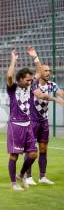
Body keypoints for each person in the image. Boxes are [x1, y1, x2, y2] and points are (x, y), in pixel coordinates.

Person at [6, 49, 63, 190]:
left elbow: (40, 73)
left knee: (33, 154)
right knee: (14, 156)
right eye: (28, 79)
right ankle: (14, 183)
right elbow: (9, 75)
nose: (31, 81)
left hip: (28, 126)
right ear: (20, 80)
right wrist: (13, 60)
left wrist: (35, 57)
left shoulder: (31, 88)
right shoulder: (12, 89)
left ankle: (21, 174)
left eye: (32, 79)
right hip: (15, 126)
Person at [24, 46, 64, 186]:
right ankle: (27, 176)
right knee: (31, 149)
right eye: (45, 70)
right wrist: (55, 100)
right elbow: (41, 96)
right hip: (32, 121)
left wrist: (61, 97)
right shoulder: (33, 84)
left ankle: (42, 176)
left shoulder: (52, 84)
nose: (47, 73)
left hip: (44, 122)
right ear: (39, 72)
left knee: (43, 149)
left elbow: (61, 93)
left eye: (49, 71)